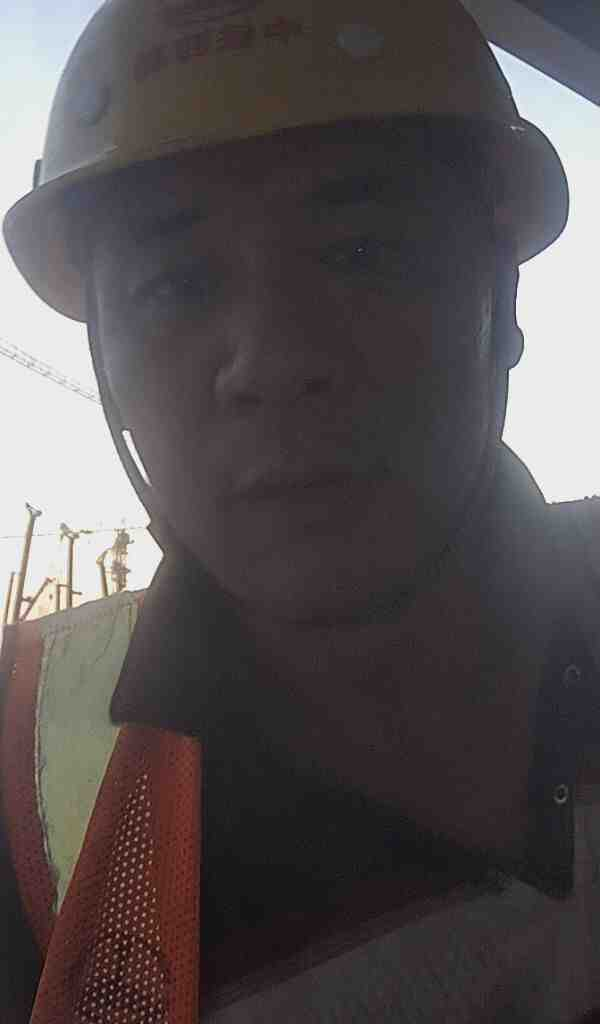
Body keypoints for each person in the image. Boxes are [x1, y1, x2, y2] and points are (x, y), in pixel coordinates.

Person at [3, 0, 600, 1020]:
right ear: (106, 362)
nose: (274, 362)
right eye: (176, 286)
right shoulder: (20, 774)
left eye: (363, 253)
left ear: (500, 304)